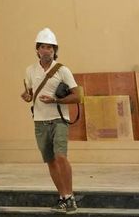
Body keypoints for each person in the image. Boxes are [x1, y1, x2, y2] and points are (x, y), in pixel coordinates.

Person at [21, 27, 81, 211]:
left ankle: (70, 196)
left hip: (59, 119)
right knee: (50, 160)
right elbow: (29, 93)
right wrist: (26, 96)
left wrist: (56, 100)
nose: (46, 50)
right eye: (43, 47)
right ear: (37, 50)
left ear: (55, 50)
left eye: (50, 47)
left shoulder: (62, 70)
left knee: (61, 156)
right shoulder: (30, 70)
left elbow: (77, 96)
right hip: (40, 121)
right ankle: (63, 196)